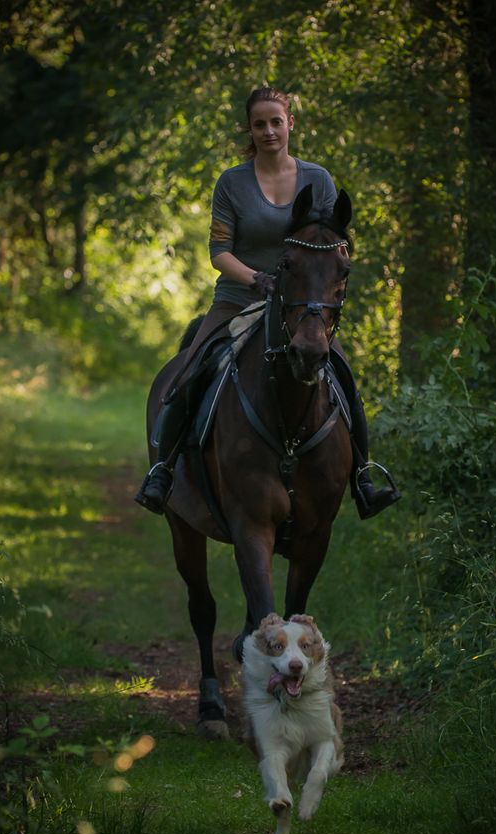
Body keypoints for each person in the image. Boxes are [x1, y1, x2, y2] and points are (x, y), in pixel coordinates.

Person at [135, 86, 400, 519]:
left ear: (290, 123)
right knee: (188, 371)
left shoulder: (319, 180)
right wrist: (258, 279)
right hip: (239, 299)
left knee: (345, 379)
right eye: (260, 124)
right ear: (250, 129)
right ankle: (162, 472)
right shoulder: (232, 183)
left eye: (276, 122)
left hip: (303, 309)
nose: (269, 131)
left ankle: (364, 478)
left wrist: (322, 284)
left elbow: (334, 245)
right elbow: (219, 252)